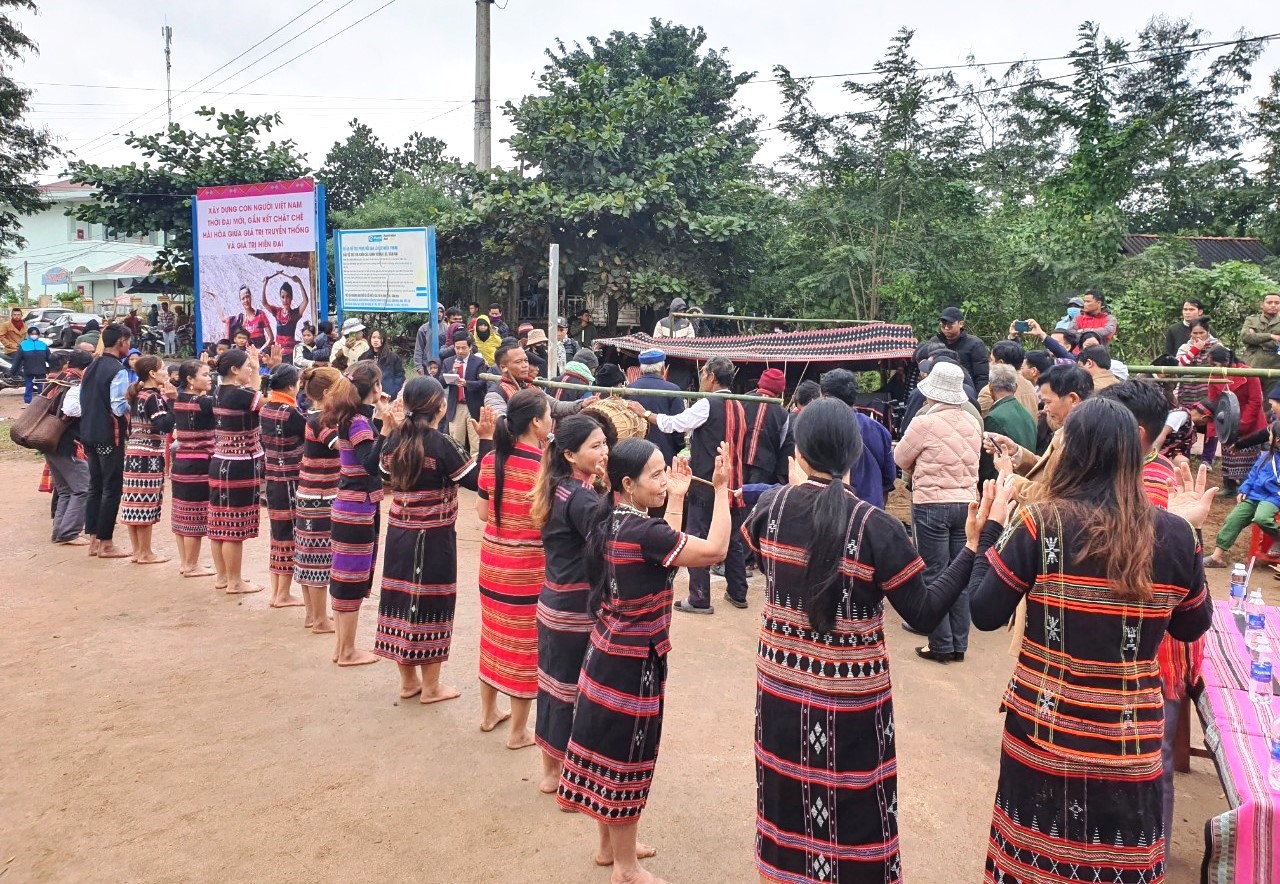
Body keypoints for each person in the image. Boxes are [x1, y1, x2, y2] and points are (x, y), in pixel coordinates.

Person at [967, 398, 1213, 884]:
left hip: (1044, 731)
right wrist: (1189, 530)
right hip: (1129, 738)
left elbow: (984, 611)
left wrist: (988, 533)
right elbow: (1190, 625)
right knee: (1115, 861)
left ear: (1072, 452)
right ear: (1134, 454)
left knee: (1035, 859)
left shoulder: (1042, 523)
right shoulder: (1175, 535)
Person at [745, 399, 981, 884]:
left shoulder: (771, 508)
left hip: (782, 692)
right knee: (855, 804)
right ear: (855, 455)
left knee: (784, 795)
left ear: (798, 451)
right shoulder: (878, 527)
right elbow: (923, 610)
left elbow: (763, 555)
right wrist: (973, 548)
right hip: (851, 703)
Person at [556, 438, 732, 882]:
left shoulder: (607, 519)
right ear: (627, 484)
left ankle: (609, 849)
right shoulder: (643, 532)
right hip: (632, 663)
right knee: (627, 759)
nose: (664, 480)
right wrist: (724, 493)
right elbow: (714, 552)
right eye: (656, 475)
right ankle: (626, 866)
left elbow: (663, 552)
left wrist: (673, 496)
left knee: (604, 751)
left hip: (606, 653)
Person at [374, 377, 496, 702]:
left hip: (400, 534)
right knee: (433, 602)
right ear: (441, 406)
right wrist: (486, 441)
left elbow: (381, 474)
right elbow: (479, 481)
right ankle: (431, 687)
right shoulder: (440, 443)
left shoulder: (395, 439)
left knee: (401, 600)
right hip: (436, 539)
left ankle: (409, 682)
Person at [528, 414, 611, 794]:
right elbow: (608, 542)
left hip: (554, 601)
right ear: (570, 455)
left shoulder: (558, 485)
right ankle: (565, 774)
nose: (604, 451)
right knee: (571, 691)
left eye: (604, 443)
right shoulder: (579, 496)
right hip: (575, 609)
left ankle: (551, 769)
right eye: (595, 446)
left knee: (552, 686)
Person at [473, 388, 552, 748]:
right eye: (548, 415)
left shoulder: (492, 460)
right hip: (527, 569)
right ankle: (518, 731)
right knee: (525, 647)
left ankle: (489, 713)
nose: (551, 421)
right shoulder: (541, 469)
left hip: (493, 563)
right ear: (536, 423)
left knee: (492, 637)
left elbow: (482, 513)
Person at [637, 355, 747, 613]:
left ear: (711, 377)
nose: (701, 378)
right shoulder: (740, 404)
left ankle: (699, 598)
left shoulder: (709, 403)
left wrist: (645, 414)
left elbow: (676, 424)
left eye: (704, 373)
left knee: (697, 535)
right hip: (731, 481)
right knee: (731, 536)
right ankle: (738, 592)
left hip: (707, 482)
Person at [893, 361, 981, 664]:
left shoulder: (924, 422)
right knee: (960, 575)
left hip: (932, 504)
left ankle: (940, 643)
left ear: (932, 392)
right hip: (966, 504)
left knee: (934, 574)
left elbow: (901, 457)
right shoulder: (974, 421)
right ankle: (959, 643)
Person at [323, 361, 391, 666]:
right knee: (351, 579)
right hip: (357, 508)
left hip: (348, 503)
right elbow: (371, 465)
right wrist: (387, 432)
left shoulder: (351, 418)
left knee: (344, 576)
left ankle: (342, 647)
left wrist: (381, 417)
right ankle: (348, 650)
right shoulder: (360, 424)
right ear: (374, 387)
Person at [207, 348, 264, 594]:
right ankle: (235, 581)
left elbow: (253, 392)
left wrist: (256, 366)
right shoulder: (241, 394)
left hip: (220, 461)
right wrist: (260, 369)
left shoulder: (219, 391)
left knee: (220, 523)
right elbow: (263, 402)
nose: (251, 371)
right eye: (247, 367)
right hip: (240, 463)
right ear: (234, 370)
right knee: (234, 529)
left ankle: (223, 576)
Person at [987, 364, 1094, 493]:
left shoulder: (1083, 440)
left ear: (1073, 399)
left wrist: (1009, 476)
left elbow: (1052, 496)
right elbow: (1050, 469)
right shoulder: (1068, 431)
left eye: (1048, 402)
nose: (1044, 409)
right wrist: (1016, 452)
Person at [293, 367, 344, 636]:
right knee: (319, 557)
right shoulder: (323, 421)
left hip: (310, 494)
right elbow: (343, 446)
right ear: (327, 394)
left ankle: (312, 615)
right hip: (321, 496)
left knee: (308, 554)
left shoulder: (314, 416)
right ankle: (320, 619)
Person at [81, 323, 134, 559]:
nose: (129, 345)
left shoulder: (92, 365)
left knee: (95, 486)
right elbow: (118, 405)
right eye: (128, 341)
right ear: (122, 341)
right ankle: (106, 543)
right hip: (108, 435)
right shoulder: (117, 370)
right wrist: (135, 401)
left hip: (89, 433)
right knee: (111, 488)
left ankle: (93, 540)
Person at [259, 364, 308, 610]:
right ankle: (283, 595)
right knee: (289, 534)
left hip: (272, 479)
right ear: (291, 386)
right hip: (291, 479)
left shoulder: (266, 409)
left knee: (277, 533)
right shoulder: (292, 413)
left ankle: (277, 592)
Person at [118, 355, 174, 564]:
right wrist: (172, 401)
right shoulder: (153, 398)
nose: (166, 373)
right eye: (163, 369)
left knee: (134, 502)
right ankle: (146, 552)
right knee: (145, 503)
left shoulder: (138, 395)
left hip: (134, 452)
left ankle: (137, 551)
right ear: (152, 373)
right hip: (148, 455)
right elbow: (164, 425)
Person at [817, 369, 896, 509]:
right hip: (870, 509)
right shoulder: (878, 429)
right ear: (854, 396)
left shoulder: (815, 427)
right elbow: (889, 476)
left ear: (823, 395)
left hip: (828, 511)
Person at [170, 360, 217, 577]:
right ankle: (191, 565)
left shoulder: (179, 399)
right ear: (190, 379)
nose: (209, 378)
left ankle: (185, 562)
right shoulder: (204, 402)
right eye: (205, 375)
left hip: (180, 460)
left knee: (182, 513)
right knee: (195, 515)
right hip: (199, 463)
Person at [44, 349, 92, 545]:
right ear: (87, 367)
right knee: (82, 488)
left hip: (51, 440)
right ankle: (70, 532)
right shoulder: (75, 383)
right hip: (68, 443)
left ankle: (60, 531)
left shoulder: (58, 379)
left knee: (65, 490)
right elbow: (71, 409)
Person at [1206, 345, 1268, 494]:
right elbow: (1214, 401)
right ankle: (1229, 485)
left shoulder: (1248, 373)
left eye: (1214, 364)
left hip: (1249, 422)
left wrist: (1242, 423)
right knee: (1228, 453)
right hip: (1226, 421)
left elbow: (1255, 401)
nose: (1212, 367)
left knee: (1248, 456)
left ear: (1226, 361)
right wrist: (1219, 426)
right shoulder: (1214, 376)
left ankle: (1247, 486)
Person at [483, 342, 590, 419]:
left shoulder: (531, 387)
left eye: (526, 361)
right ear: (503, 368)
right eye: (518, 362)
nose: (525, 365)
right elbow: (500, 421)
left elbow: (554, 406)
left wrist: (582, 404)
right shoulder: (495, 394)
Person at [980, 365, 1036, 485]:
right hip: (1026, 480)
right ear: (1015, 387)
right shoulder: (1026, 413)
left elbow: (988, 466)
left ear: (990, 388)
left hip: (1005, 485)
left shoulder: (993, 418)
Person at [627, 349, 685, 464]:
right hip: (664, 455)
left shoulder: (629, 389)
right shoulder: (673, 390)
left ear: (641, 370)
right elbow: (679, 428)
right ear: (663, 369)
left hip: (634, 455)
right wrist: (676, 448)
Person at [440, 331, 487, 456]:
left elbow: (483, 383)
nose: (460, 351)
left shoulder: (478, 362)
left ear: (470, 347)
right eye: (457, 348)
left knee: (475, 442)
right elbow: (441, 383)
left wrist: (467, 384)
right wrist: (452, 371)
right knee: (456, 442)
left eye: (464, 348)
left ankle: (476, 469)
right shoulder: (448, 362)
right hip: (456, 406)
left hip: (473, 406)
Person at [741, 369, 788, 485]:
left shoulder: (742, 401)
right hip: (765, 467)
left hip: (738, 460)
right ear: (779, 391)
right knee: (755, 499)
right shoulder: (783, 413)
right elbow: (781, 442)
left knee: (735, 496)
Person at [977, 340, 1038, 420]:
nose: (989, 364)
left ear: (1000, 363)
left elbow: (980, 422)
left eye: (992, 360)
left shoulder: (991, 390)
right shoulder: (1030, 386)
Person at [932, 306, 989, 391]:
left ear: (961, 324)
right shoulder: (935, 342)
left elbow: (982, 377)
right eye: (943, 325)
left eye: (950, 325)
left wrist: (976, 399)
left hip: (965, 392)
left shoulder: (975, 344)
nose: (946, 328)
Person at [262, 272, 308, 360]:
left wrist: (300, 283)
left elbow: (305, 301)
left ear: (291, 298)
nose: (285, 300)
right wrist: (265, 284)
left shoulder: (295, 314)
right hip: (278, 353)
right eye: (282, 297)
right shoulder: (277, 312)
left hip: (290, 355)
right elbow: (264, 303)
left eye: (288, 297)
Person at [359, 329, 405, 400]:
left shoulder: (393, 357)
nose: (376, 340)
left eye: (379, 338)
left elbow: (400, 375)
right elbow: (359, 376)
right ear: (370, 339)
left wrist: (393, 391)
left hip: (387, 397)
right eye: (373, 337)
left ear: (384, 340)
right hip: (368, 397)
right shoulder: (363, 357)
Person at [1239, 292, 1280, 370]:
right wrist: (1271, 336)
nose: (1273, 305)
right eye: (1269, 302)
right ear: (1262, 304)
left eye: (1277, 303)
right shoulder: (1252, 320)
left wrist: (1256, 337)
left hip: (1275, 367)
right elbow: (1245, 337)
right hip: (1251, 365)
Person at [15, 325, 51, 405]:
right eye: (32, 333)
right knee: (29, 386)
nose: (34, 335)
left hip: (41, 370)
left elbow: (49, 358)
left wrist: (51, 369)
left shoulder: (43, 345)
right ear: (29, 334)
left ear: (38, 334)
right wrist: (14, 371)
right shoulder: (23, 344)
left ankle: (41, 401)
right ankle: (28, 402)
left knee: (41, 387)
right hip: (28, 370)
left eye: (35, 333)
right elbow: (18, 359)